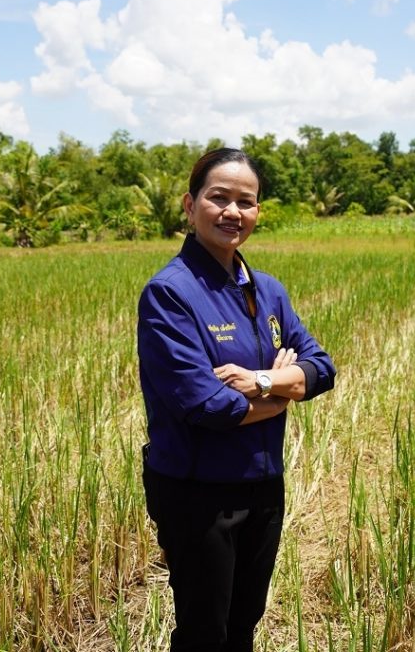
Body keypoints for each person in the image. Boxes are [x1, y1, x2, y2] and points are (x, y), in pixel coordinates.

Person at [137, 148, 336, 652]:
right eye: (218, 198)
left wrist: (264, 383)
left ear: (258, 212)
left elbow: (322, 368)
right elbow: (208, 406)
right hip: (197, 491)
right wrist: (285, 393)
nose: (233, 212)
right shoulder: (170, 294)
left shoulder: (267, 291)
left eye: (245, 202)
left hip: (264, 484)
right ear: (190, 204)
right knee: (206, 632)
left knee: (245, 620)